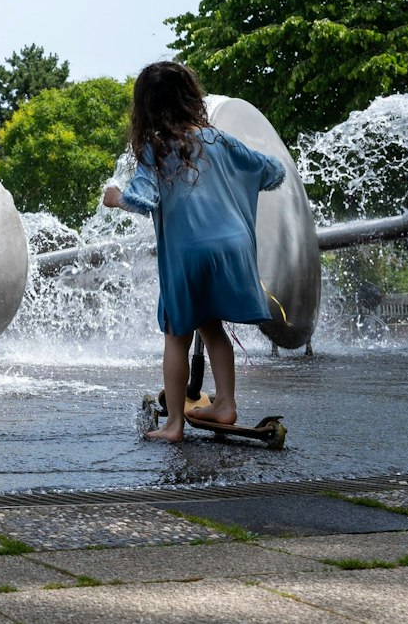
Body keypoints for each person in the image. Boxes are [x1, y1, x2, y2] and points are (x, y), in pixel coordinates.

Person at [102, 61, 286, 442]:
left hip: (188, 253)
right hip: (233, 248)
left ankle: (173, 425)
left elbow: (142, 199)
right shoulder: (220, 140)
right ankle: (226, 403)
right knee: (212, 325)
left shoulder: (156, 147)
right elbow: (272, 172)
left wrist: (116, 197)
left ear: (146, 107)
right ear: (191, 97)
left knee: (176, 334)